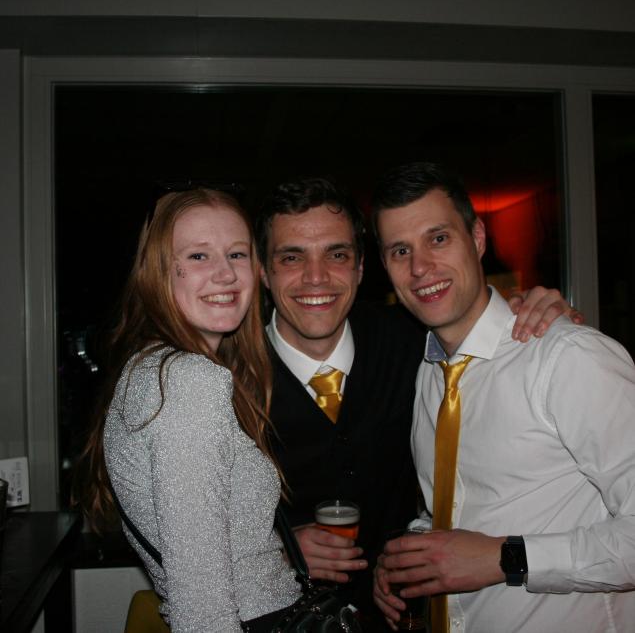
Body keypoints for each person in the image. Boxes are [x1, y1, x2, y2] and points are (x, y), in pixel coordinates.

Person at [254, 176, 580, 629]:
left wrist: (527, 310)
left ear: (361, 267)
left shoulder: (418, 342)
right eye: (291, 257)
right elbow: (183, 535)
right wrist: (273, 549)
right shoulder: (226, 379)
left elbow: (478, 321)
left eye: (337, 254)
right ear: (263, 272)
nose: (316, 277)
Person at [371, 162, 635, 633]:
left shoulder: (569, 358)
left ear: (477, 238)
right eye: (400, 250)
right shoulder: (429, 373)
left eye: (438, 238)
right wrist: (410, 554)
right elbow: (460, 507)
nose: (419, 268)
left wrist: (507, 557)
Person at [75, 189, 300, 632]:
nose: (225, 273)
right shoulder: (187, 381)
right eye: (198, 256)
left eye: (236, 254)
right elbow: (202, 611)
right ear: (158, 272)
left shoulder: (150, 369)